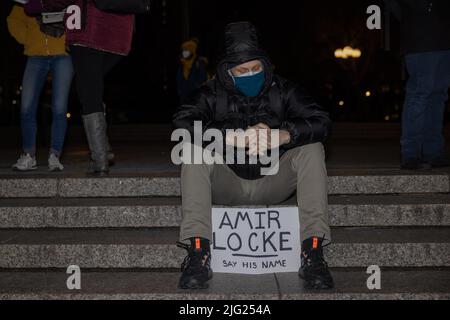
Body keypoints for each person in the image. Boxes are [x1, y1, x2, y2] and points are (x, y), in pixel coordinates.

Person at [173, 22, 333, 290]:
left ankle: (313, 252)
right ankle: (199, 252)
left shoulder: (283, 89)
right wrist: (229, 136)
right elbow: (180, 122)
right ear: (227, 71)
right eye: (242, 70)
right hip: (229, 183)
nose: (251, 74)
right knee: (191, 148)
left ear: (265, 65)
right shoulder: (211, 92)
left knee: (312, 148)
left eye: (256, 68)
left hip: (273, 182)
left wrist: (282, 135)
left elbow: (323, 122)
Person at [42, 0, 135, 175]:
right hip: (119, 36)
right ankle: (104, 151)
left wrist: (40, 3)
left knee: (88, 92)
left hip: (88, 32)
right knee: (92, 87)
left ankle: (100, 159)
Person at [7, 4, 73, 172]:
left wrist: (72, 40)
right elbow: (13, 20)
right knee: (26, 108)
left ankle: (55, 156)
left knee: (59, 109)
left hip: (63, 55)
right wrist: (28, 38)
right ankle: (29, 156)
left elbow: (78, 17)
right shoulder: (27, 1)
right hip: (35, 55)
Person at [385, 0, 450, 170]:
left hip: (443, 37)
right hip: (420, 37)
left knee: (438, 95)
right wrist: (417, 12)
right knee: (420, 94)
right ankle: (411, 152)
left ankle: (433, 150)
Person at [176, 38, 208, 103]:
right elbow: (179, 81)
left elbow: (202, 81)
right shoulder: (182, 64)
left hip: (196, 101)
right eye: (183, 50)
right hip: (184, 100)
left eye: (187, 50)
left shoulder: (198, 64)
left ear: (192, 51)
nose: (184, 52)